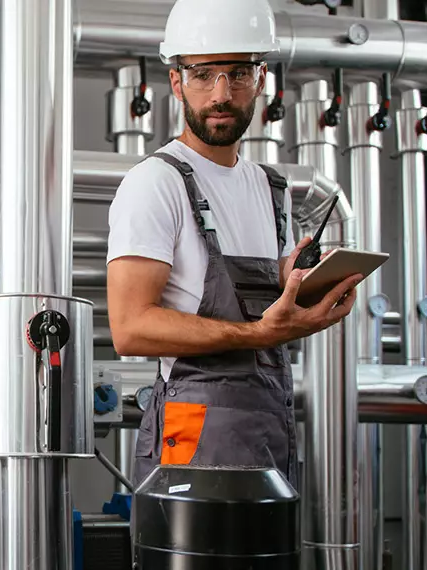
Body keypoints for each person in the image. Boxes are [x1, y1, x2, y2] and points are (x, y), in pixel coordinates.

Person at [106, 0, 362, 490]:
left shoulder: (270, 188)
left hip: (267, 431)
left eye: (238, 73)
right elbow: (131, 327)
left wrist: (297, 287)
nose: (221, 93)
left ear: (260, 79)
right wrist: (260, 334)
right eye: (204, 74)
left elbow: (269, 310)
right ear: (177, 81)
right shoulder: (157, 182)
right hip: (192, 436)